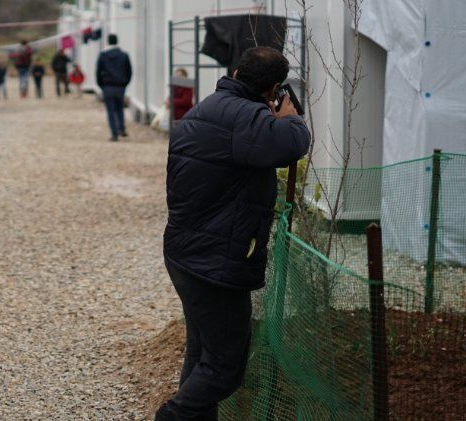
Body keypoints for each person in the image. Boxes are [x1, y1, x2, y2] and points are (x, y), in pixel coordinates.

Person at [155, 47, 310, 421]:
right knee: (225, 366)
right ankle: (172, 416)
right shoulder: (247, 118)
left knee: (202, 352)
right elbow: (293, 144)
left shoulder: (208, 108)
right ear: (274, 87)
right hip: (216, 262)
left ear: (236, 71)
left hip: (185, 250)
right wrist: (289, 119)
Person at [95, 34, 132, 141]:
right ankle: (122, 128)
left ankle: (114, 133)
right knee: (120, 108)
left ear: (108, 41)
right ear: (117, 41)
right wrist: (125, 83)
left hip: (107, 85)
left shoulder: (103, 55)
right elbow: (129, 71)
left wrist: (101, 85)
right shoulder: (124, 55)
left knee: (110, 111)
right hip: (120, 86)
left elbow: (98, 72)